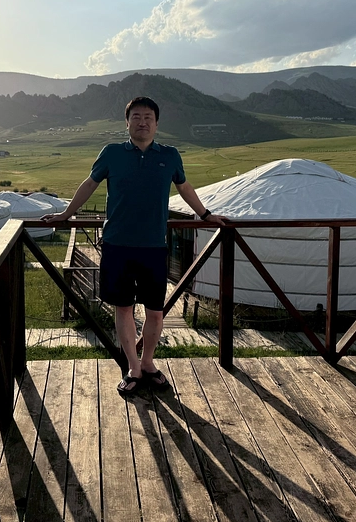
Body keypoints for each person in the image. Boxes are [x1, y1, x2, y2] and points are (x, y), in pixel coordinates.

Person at [42, 96, 225, 397]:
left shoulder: (170, 155)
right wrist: (65, 214)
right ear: (127, 123)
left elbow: (184, 187)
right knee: (123, 308)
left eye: (148, 117)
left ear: (156, 123)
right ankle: (133, 368)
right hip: (117, 245)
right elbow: (89, 184)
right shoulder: (112, 153)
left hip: (154, 247)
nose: (142, 122)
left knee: (156, 311)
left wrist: (206, 215)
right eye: (136, 117)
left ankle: (148, 362)